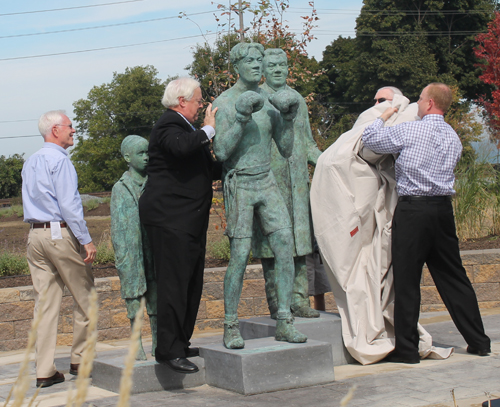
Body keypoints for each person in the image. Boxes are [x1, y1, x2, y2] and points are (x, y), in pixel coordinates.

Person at [362, 82, 491, 363]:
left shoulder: (411, 130)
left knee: (408, 280)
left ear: (430, 103)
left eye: (420, 99)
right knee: (454, 277)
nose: (417, 104)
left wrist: (385, 114)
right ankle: (479, 341)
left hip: (413, 211)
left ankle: (407, 351)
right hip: (443, 210)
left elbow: (371, 139)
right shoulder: (453, 137)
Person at [213, 42, 306, 349]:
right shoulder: (224, 102)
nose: (257, 65)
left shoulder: (270, 99)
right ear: (236, 67)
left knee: (285, 245)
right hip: (240, 183)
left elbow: (286, 147)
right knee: (239, 256)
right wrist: (240, 118)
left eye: (259, 60)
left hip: (266, 181)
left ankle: (284, 321)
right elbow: (222, 152)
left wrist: (289, 118)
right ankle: (230, 325)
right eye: (250, 61)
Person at [139, 77, 221, 374]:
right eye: (199, 101)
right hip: (170, 218)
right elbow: (182, 148)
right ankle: (168, 351)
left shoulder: (187, 130)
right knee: (174, 284)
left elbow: (208, 167)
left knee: (190, 283)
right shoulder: (168, 125)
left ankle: (181, 342)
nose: (201, 107)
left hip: (189, 219)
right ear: (182, 101)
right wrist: (209, 128)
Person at [22, 110, 96, 388]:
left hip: (35, 237)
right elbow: (70, 205)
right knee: (86, 295)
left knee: (45, 305)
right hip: (60, 234)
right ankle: (81, 359)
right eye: (70, 127)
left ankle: (44, 370)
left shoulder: (30, 162)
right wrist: (86, 239)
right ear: (55, 130)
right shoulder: (60, 162)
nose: (73, 131)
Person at [252, 48, 322, 318]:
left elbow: (307, 143)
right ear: (264, 69)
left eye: (282, 65)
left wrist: (329, 162)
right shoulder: (257, 99)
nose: (278, 69)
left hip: (297, 182)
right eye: (273, 65)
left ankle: (300, 300)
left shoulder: (298, 100)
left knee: (300, 243)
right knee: (273, 246)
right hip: (269, 182)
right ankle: (277, 303)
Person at [111, 135, 156, 361]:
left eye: (148, 152)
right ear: (127, 157)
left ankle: (158, 341)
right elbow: (117, 228)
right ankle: (136, 342)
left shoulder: (156, 182)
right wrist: (122, 256)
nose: (147, 157)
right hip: (132, 252)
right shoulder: (120, 189)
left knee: (156, 296)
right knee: (134, 297)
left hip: (154, 249)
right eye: (141, 154)